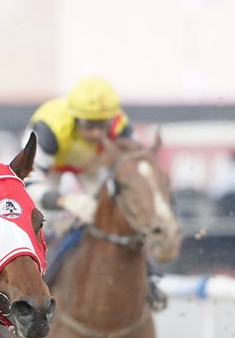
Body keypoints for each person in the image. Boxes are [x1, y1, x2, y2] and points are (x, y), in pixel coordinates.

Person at [23, 76, 167, 309]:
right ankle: (39, 279)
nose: (95, 133)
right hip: (50, 170)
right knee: (41, 220)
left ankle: (148, 275)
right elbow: (28, 182)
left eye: (102, 125)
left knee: (117, 210)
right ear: (75, 118)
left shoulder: (122, 128)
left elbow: (128, 174)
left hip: (91, 166)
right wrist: (65, 200)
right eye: (89, 125)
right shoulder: (49, 128)